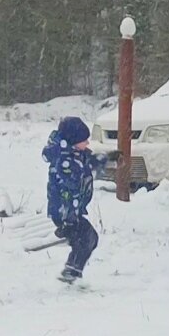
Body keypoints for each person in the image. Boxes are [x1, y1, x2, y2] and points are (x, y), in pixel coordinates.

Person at [42, 117, 114, 282]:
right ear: (73, 141)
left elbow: (89, 162)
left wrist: (107, 158)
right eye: (84, 140)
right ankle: (71, 271)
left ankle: (72, 270)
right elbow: (73, 182)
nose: (87, 143)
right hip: (65, 212)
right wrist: (66, 220)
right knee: (88, 239)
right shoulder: (65, 161)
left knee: (87, 240)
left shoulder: (75, 154)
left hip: (70, 212)